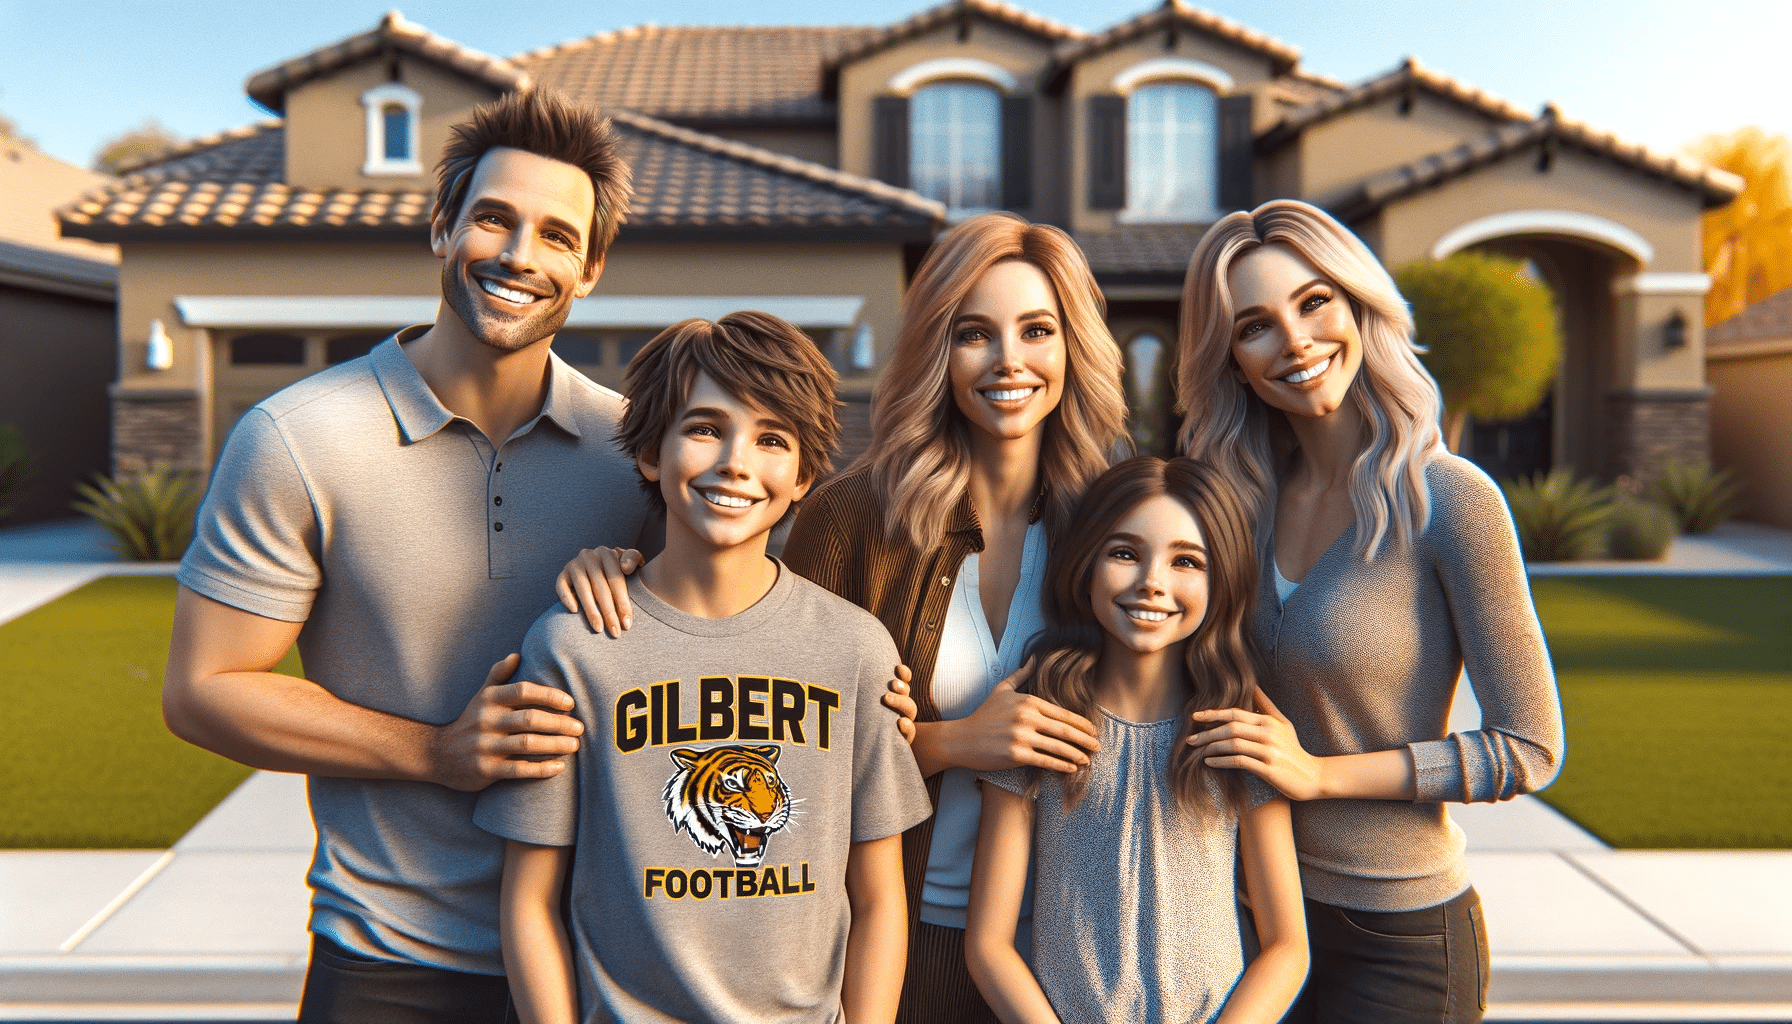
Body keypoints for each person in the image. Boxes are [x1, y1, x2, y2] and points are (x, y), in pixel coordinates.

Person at [554, 212, 1131, 1023]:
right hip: (907, 940)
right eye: (974, 333)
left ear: (1074, 347)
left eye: (1037, 330)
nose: (1009, 359)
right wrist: (958, 742)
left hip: (1086, 947)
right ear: (937, 347)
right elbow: (774, 724)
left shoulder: (1121, 525)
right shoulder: (855, 516)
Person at [162, 90, 650, 1023]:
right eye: (494, 219)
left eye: (556, 236)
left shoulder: (640, 455)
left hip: (607, 955)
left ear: (588, 270)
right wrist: (433, 751)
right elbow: (205, 688)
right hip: (389, 958)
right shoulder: (298, 437)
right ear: (441, 228)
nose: (518, 254)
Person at [475, 311, 930, 1024]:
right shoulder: (574, 648)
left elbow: (877, 898)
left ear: (805, 474)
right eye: (706, 428)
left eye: (771, 439)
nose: (736, 463)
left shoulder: (856, 650)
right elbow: (530, 899)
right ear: (652, 451)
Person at [1176, 199, 1565, 1023]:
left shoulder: (1451, 500)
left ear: (1359, 305)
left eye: (1314, 303)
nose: (1296, 341)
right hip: (1243, 920)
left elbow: (1530, 747)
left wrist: (1319, 777)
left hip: (1400, 936)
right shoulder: (1230, 505)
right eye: (1255, 326)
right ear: (1232, 359)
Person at [965, 456, 1308, 1024]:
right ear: (1085, 565)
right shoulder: (1043, 718)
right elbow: (989, 944)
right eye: (1124, 553)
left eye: (1186, 561)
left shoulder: (1234, 727)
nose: (1153, 581)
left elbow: (1287, 947)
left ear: (1221, 579)